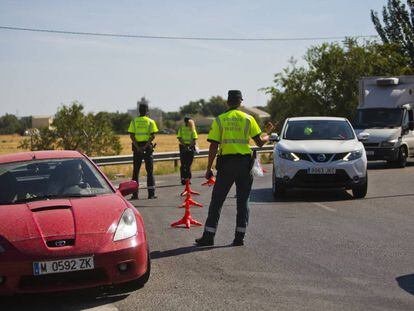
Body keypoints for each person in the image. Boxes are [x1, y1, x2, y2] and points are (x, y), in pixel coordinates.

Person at [195, 90, 273, 247]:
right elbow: (259, 142)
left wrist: (209, 168)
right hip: (245, 164)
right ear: (240, 102)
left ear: (227, 102)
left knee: (217, 201)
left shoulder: (220, 120)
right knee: (243, 201)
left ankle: (209, 236)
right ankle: (239, 237)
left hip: (226, 164)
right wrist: (268, 134)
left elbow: (213, 145)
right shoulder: (248, 119)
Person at [128, 102, 159, 199]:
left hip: (137, 148)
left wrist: (137, 147)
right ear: (147, 111)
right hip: (147, 148)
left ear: (139, 111)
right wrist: (145, 147)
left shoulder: (134, 121)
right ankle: (151, 194)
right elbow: (153, 135)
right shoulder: (150, 121)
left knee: (135, 171)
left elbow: (132, 135)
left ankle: (135, 194)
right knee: (149, 171)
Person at [177, 116, 198, 185]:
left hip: (183, 147)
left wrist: (185, 146)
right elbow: (194, 140)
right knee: (188, 164)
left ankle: (183, 179)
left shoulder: (181, 128)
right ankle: (188, 179)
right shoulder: (193, 129)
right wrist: (189, 146)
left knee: (183, 164)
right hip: (190, 147)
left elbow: (179, 138)